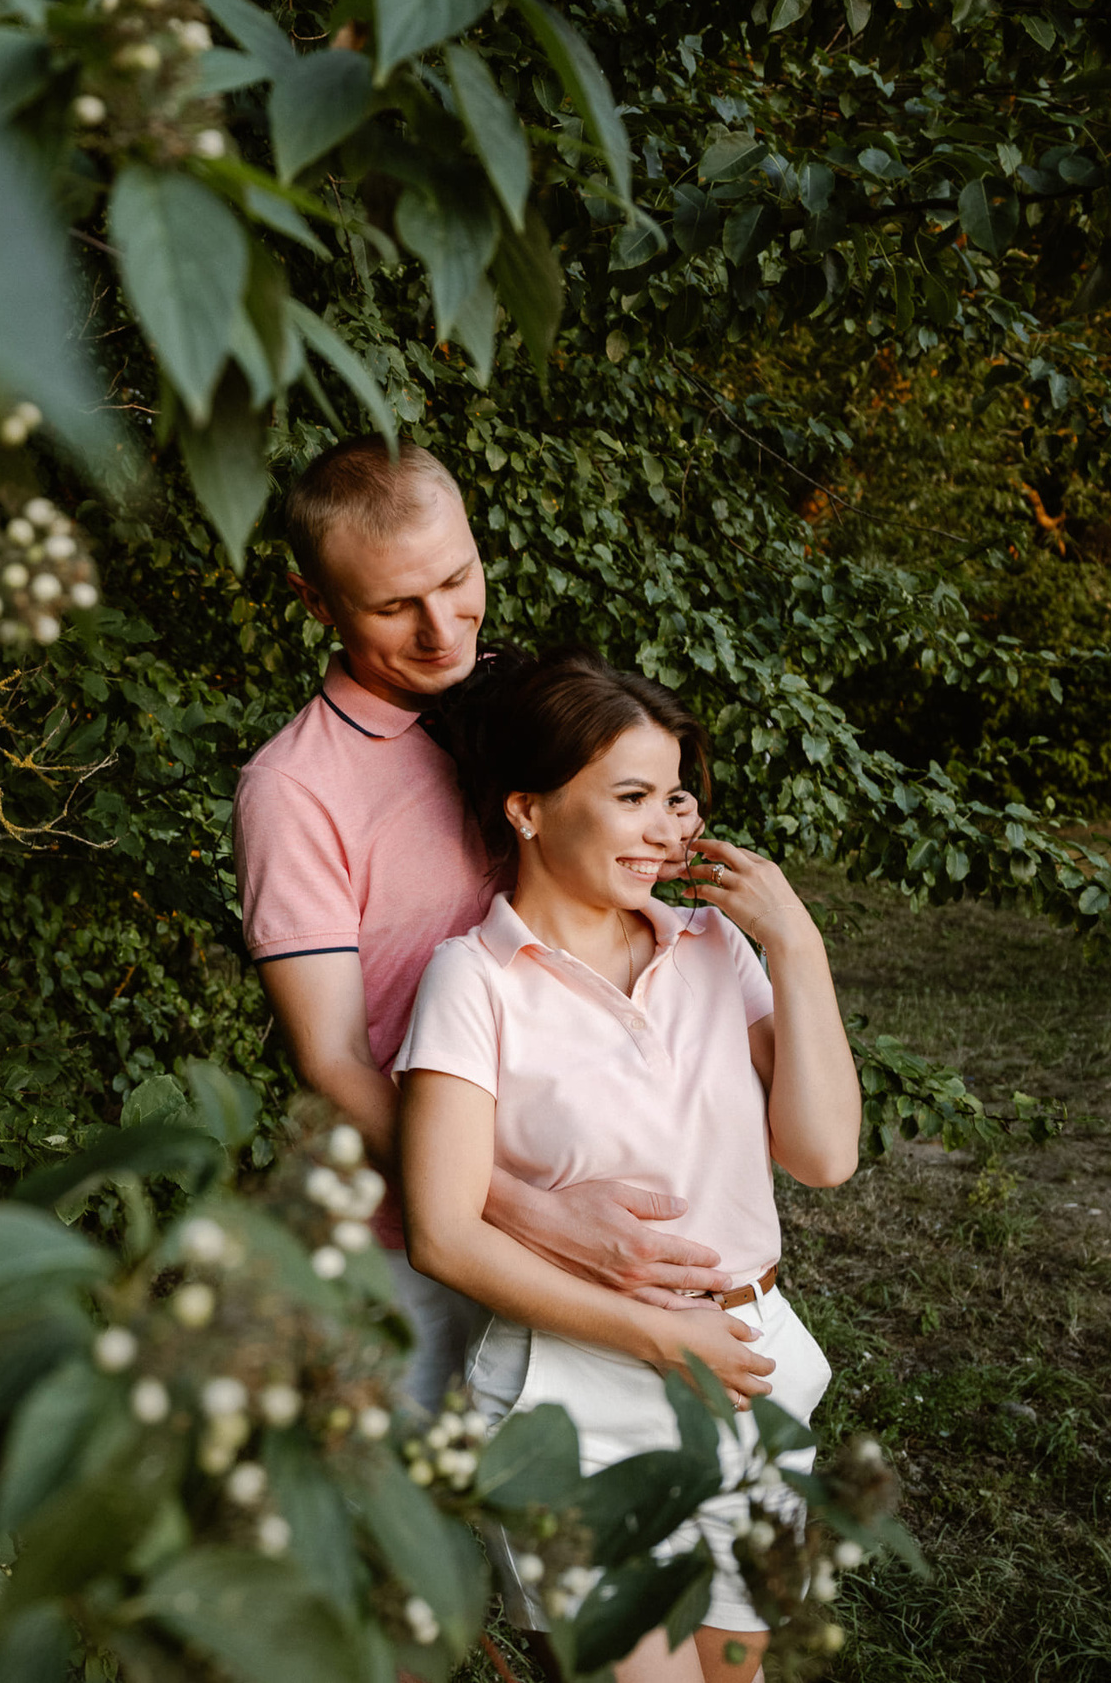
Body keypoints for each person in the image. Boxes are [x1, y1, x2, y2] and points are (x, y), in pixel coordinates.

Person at [234, 439, 737, 1412]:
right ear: (316, 602)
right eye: (392, 606)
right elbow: (333, 1059)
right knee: (386, 1524)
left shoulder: (540, 704)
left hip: (602, 1194)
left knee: (582, 1523)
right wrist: (532, 1213)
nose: (440, 630)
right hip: (400, 1241)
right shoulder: (292, 788)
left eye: (457, 578)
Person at [395, 649, 863, 1683]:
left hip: (752, 1366)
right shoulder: (473, 980)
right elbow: (442, 1227)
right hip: (579, 1396)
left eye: (678, 796)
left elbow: (824, 1153)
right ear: (527, 808)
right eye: (633, 796)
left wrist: (795, 942)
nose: (669, 827)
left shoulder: (711, 947)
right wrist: (657, 1333)